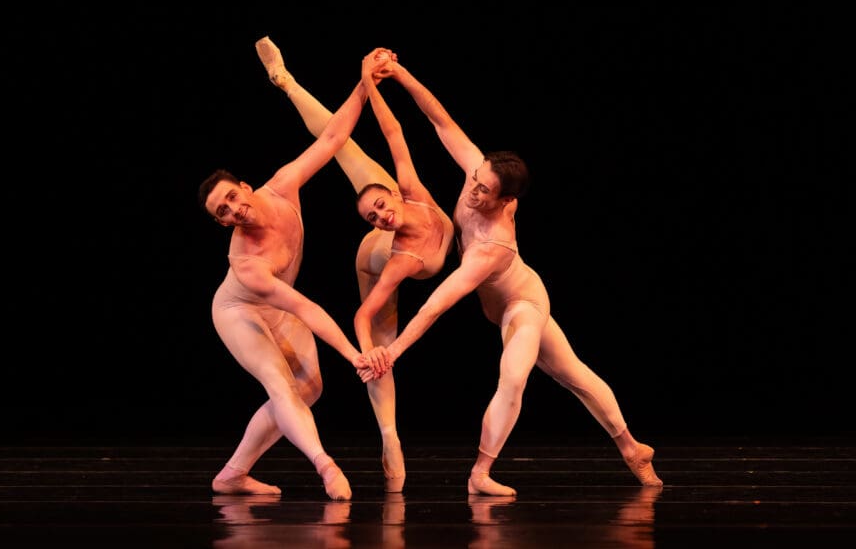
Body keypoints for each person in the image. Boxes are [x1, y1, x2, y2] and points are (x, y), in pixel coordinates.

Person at [363, 55, 663, 496]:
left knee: (515, 374)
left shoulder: (492, 245)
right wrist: (402, 75)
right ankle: (632, 448)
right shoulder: (478, 173)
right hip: (503, 307)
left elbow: (437, 304)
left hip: (523, 303)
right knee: (574, 374)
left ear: (506, 202)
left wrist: (394, 353)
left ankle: (480, 473)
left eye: (484, 190)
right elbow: (440, 121)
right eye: (476, 179)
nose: (473, 189)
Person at [256, 37, 454, 493]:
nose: (382, 213)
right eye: (376, 214)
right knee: (383, 338)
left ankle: (284, 80)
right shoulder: (396, 258)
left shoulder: (407, 192)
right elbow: (363, 316)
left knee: (345, 148)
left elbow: (394, 134)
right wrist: (368, 353)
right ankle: (390, 435)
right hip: (379, 257)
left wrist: (372, 81)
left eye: (382, 208)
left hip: (405, 218)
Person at [198, 60, 384, 501]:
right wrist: (354, 355)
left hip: (280, 305)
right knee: (279, 384)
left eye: (230, 198)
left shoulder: (282, 186)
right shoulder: (247, 264)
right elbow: (306, 308)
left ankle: (232, 475)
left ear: (244, 187)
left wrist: (363, 83)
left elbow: (334, 137)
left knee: (309, 388)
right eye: (222, 212)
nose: (232, 210)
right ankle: (326, 466)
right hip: (238, 310)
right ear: (223, 224)